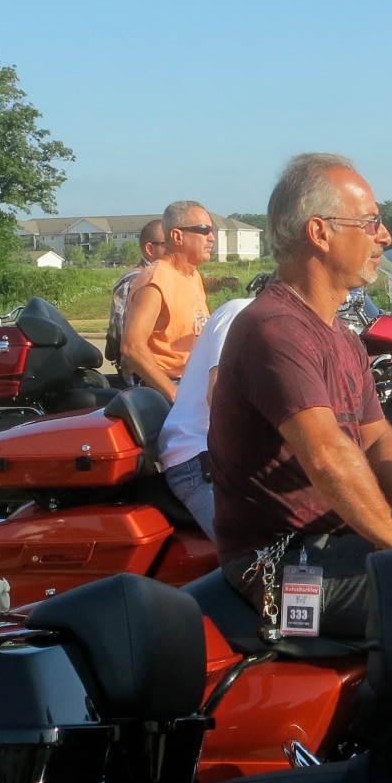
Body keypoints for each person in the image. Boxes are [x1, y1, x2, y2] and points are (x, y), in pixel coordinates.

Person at [207, 154, 392, 640]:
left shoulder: (341, 336)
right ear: (320, 232)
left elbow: (378, 437)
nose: (384, 236)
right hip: (277, 564)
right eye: (370, 222)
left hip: (333, 545)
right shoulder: (273, 329)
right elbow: (327, 456)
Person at [157, 288, 255, 539]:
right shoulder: (240, 314)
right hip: (201, 456)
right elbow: (220, 399)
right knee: (260, 554)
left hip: (232, 456)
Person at [120, 203, 213, 399]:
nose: (211, 238)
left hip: (195, 381)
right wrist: (174, 395)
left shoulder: (193, 275)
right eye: (204, 230)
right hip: (169, 387)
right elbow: (132, 347)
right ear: (177, 236)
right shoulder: (156, 279)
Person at [104, 219, 167, 368]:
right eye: (167, 244)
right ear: (150, 249)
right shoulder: (137, 281)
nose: (175, 249)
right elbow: (126, 337)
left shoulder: (161, 277)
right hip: (146, 373)